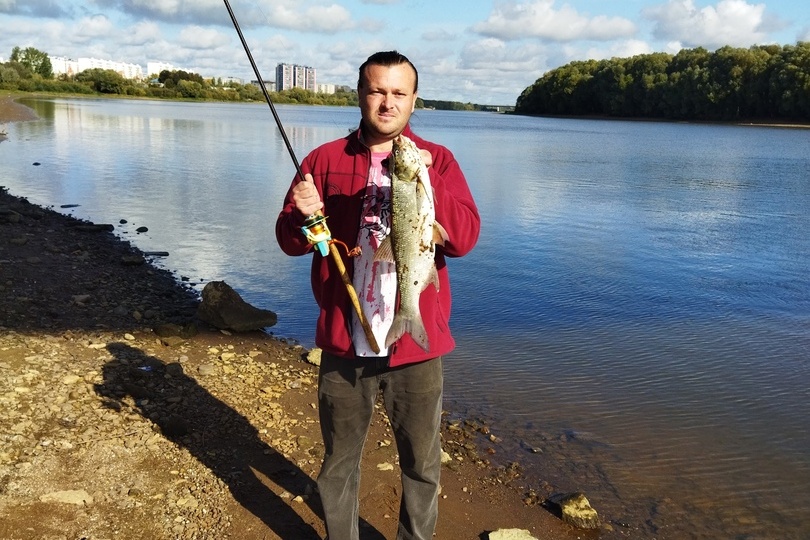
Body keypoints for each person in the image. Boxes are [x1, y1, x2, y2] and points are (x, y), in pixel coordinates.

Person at [275, 50, 480, 540]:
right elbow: (288, 241)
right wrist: (304, 216)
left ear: (414, 101)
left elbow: (466, 238)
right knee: (339, 462)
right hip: (346, 343)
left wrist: (429, 181)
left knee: (422, 463)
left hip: (416, 342)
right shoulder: (323, 160)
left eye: (398, 93)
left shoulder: (438, 159)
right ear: (360, 94)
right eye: (377, 90)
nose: (387, 103)